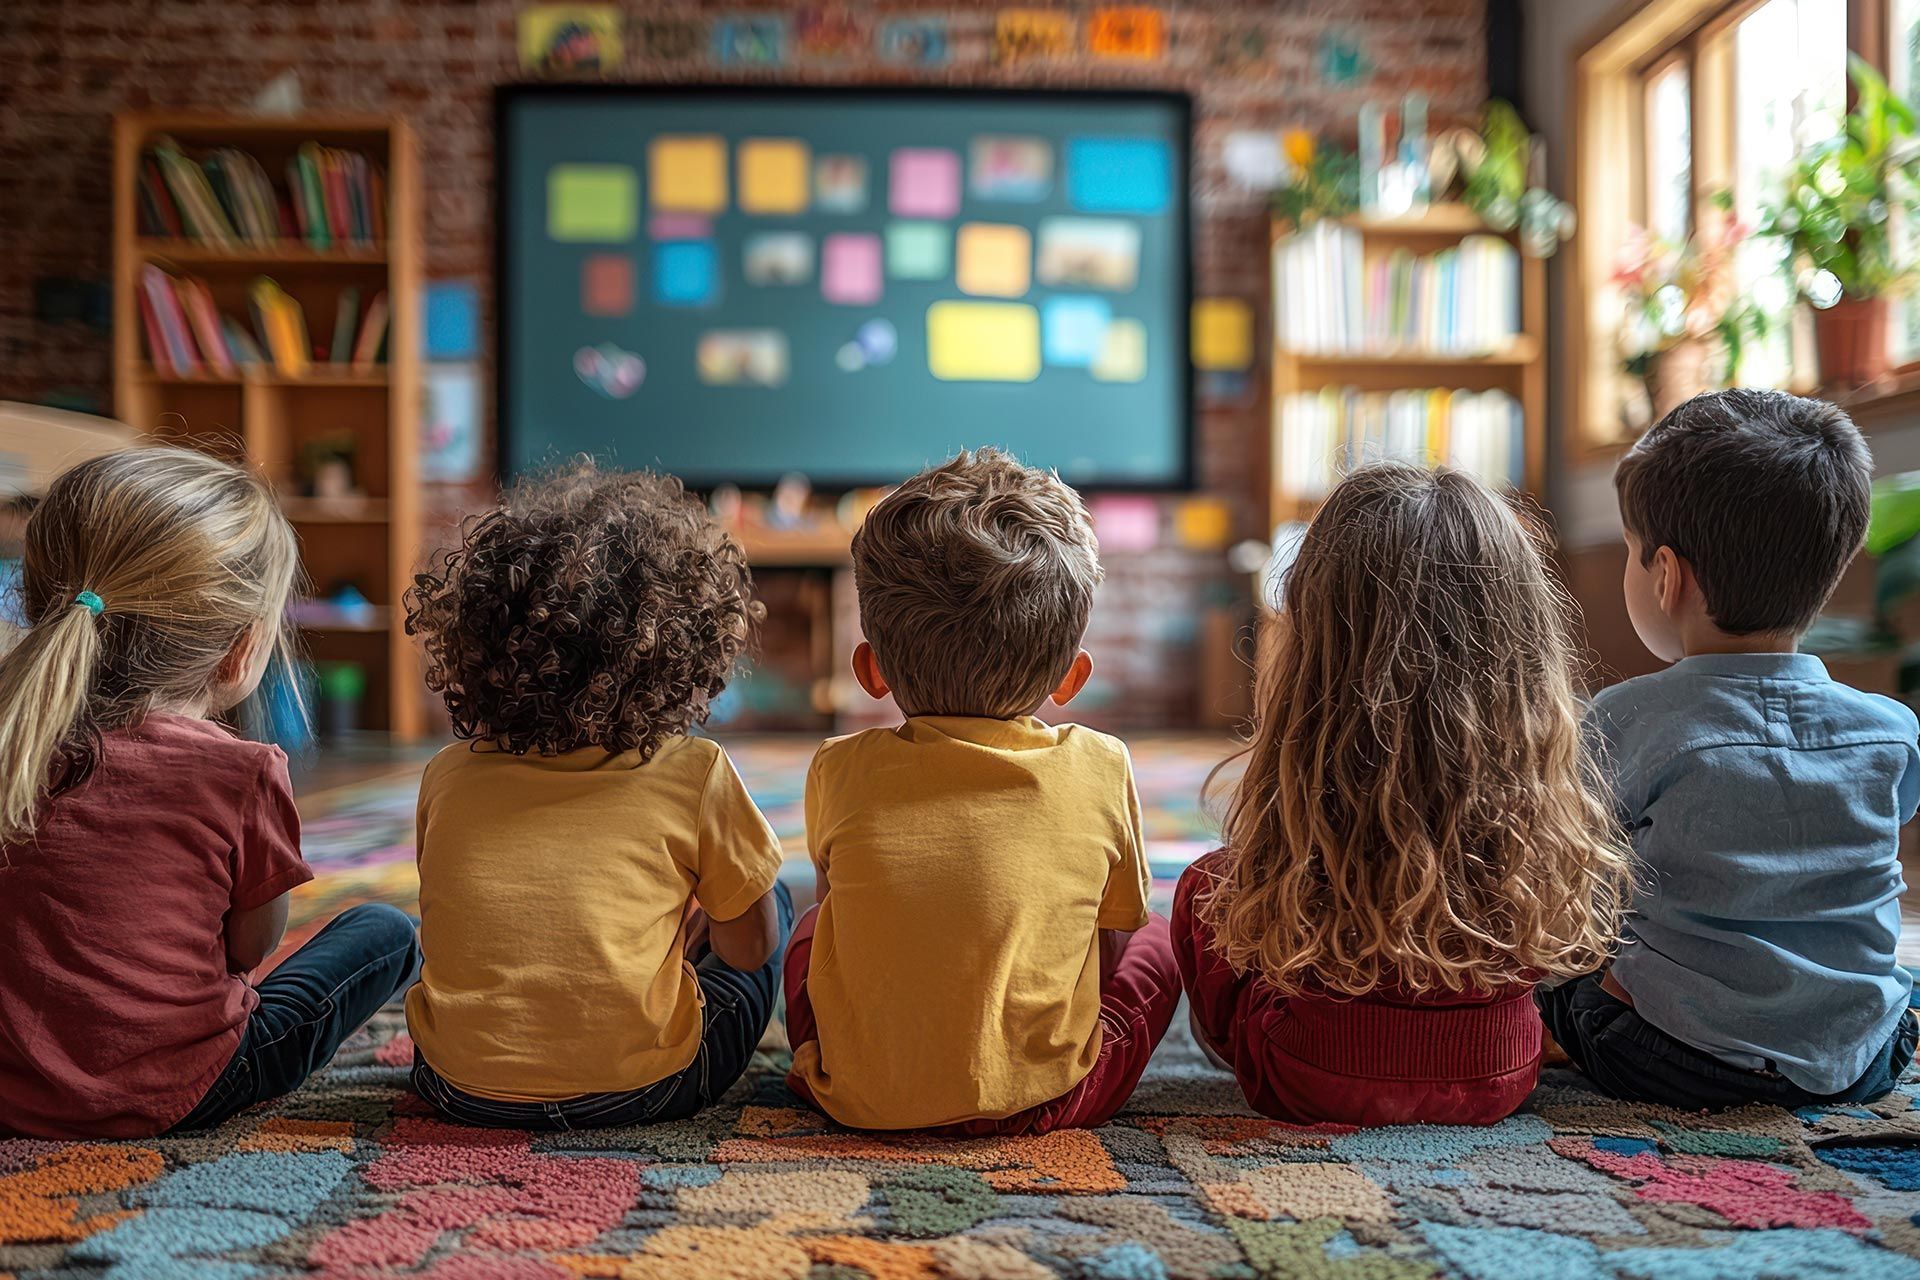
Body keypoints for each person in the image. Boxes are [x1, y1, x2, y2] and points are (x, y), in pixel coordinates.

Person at [1176, 463, 1634, 1125]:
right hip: (1499, 1076)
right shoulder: (1536, 792)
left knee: (1205, 888)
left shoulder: (1314, 765)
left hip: (1307, 1073)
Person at [0, 446, 418, 1138]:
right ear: (241, 649)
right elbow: (250, 949)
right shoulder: (242, 772)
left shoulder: (14, 751)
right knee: (387, 933)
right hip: (184, 1089)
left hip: (14, 1093)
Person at [1538, 389, 1919, 1109]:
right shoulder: (1892, 730)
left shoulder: (1625, 718)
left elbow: (1571, 871)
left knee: (1560, 979)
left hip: (1672, 1058)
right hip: (1859, 1059)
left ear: (1665, 576)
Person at [784, 447, 1180, 1133]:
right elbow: (1111, 944)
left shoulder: (837, 767)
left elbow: (842, 919)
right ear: (1071, 678)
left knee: (813, 928)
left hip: (861, 1095)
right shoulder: (1102, 764)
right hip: (1046, 1099)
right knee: (1160, 940)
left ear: (869, 671)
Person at [403, 462, 790, 1129]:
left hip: (457, 1088)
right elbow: (749, 953)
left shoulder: (447, 774)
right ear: (680, 649)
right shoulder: (695, 771)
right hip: (645, 1090)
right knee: (771, 897)